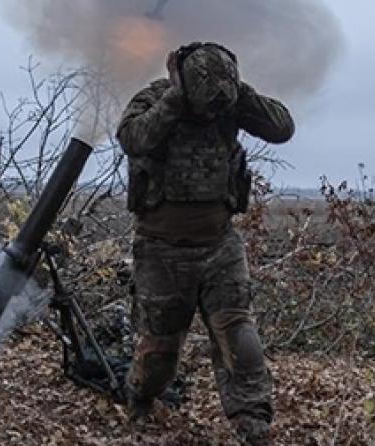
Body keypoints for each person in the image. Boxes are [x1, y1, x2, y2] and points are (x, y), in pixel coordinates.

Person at [115, 41, 294, 446]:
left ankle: (253, 424)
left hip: (219, 244)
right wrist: (177, 99)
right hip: (161, 250)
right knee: (159, 354)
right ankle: (140, 400)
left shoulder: (229, 102)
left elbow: (282, 128)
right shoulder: (154, 99)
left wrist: (239, 94)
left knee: (239, 337)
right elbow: (133, 138)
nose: (211, 111)